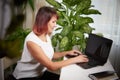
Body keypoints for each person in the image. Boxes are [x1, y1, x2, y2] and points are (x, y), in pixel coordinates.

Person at [12, 6, 88, 80]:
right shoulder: (32, 42)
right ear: (44, 21)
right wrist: (75, 59)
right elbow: (52, 66)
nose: (55, 25)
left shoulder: (45, 35)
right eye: (53, 22)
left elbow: (49, 55)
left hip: (40, 74)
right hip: (25, 76)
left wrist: (67, 53)